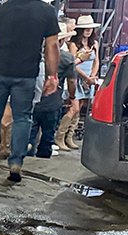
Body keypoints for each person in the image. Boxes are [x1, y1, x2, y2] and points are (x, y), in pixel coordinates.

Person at [0, 0, 59, 186]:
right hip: (26, 75)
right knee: (23, 118)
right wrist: (52, 76)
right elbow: (52, 46)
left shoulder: (0, 11)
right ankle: (16, 163)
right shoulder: (47, 12)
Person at [29, 21, 77, 158]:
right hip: (52, 102)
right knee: (48, 135)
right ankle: (42, 160)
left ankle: (26, 159)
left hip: (32, 99)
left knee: (29, 134)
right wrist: (72, 97)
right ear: (60, 40)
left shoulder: (33, 54)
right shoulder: (66, 59)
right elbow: (72, 81)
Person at [59, 15, 102, 151]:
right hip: (77, 78)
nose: (88, 31)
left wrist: (92, 77)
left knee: (79, 108)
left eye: (90, 28)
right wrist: (86, 78)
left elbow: (97, 61)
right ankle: (59, 136)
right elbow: (72, 65)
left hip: (88, 78)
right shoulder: (73, 44)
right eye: (85, 28)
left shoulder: (94, 44)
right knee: (74, 108)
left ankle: (69, 137)